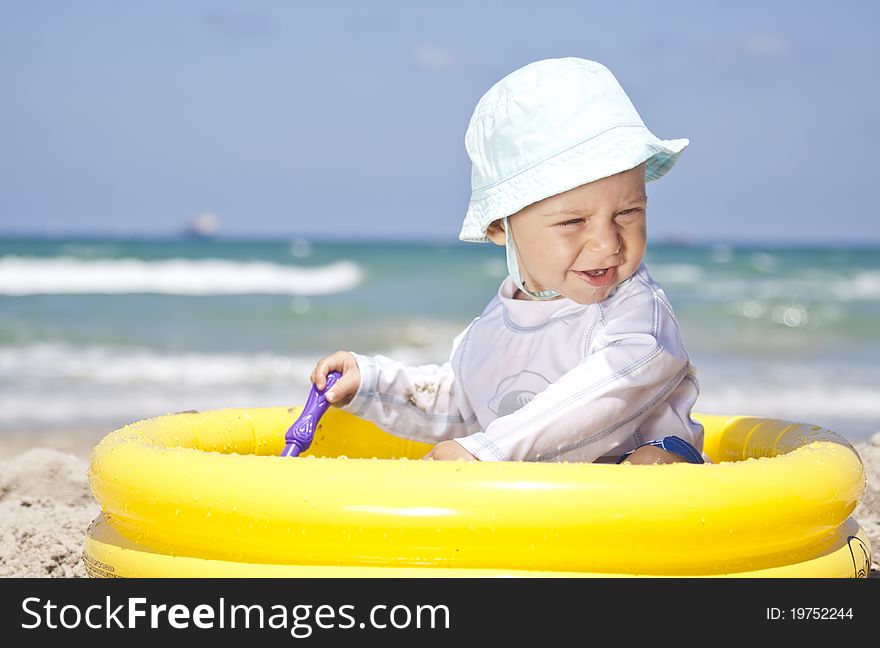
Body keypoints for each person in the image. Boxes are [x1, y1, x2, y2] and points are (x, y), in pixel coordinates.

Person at [309, 57, 707, 466]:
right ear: (499, 226)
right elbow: (464, 406)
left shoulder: (637, 315)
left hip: (658, 497)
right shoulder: (496, 323)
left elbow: (610, 388)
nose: (607, 244)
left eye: (628, 213)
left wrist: (490, 450)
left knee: (652, 462)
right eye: (573, 221)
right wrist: (374, 385)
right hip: (552, 504)